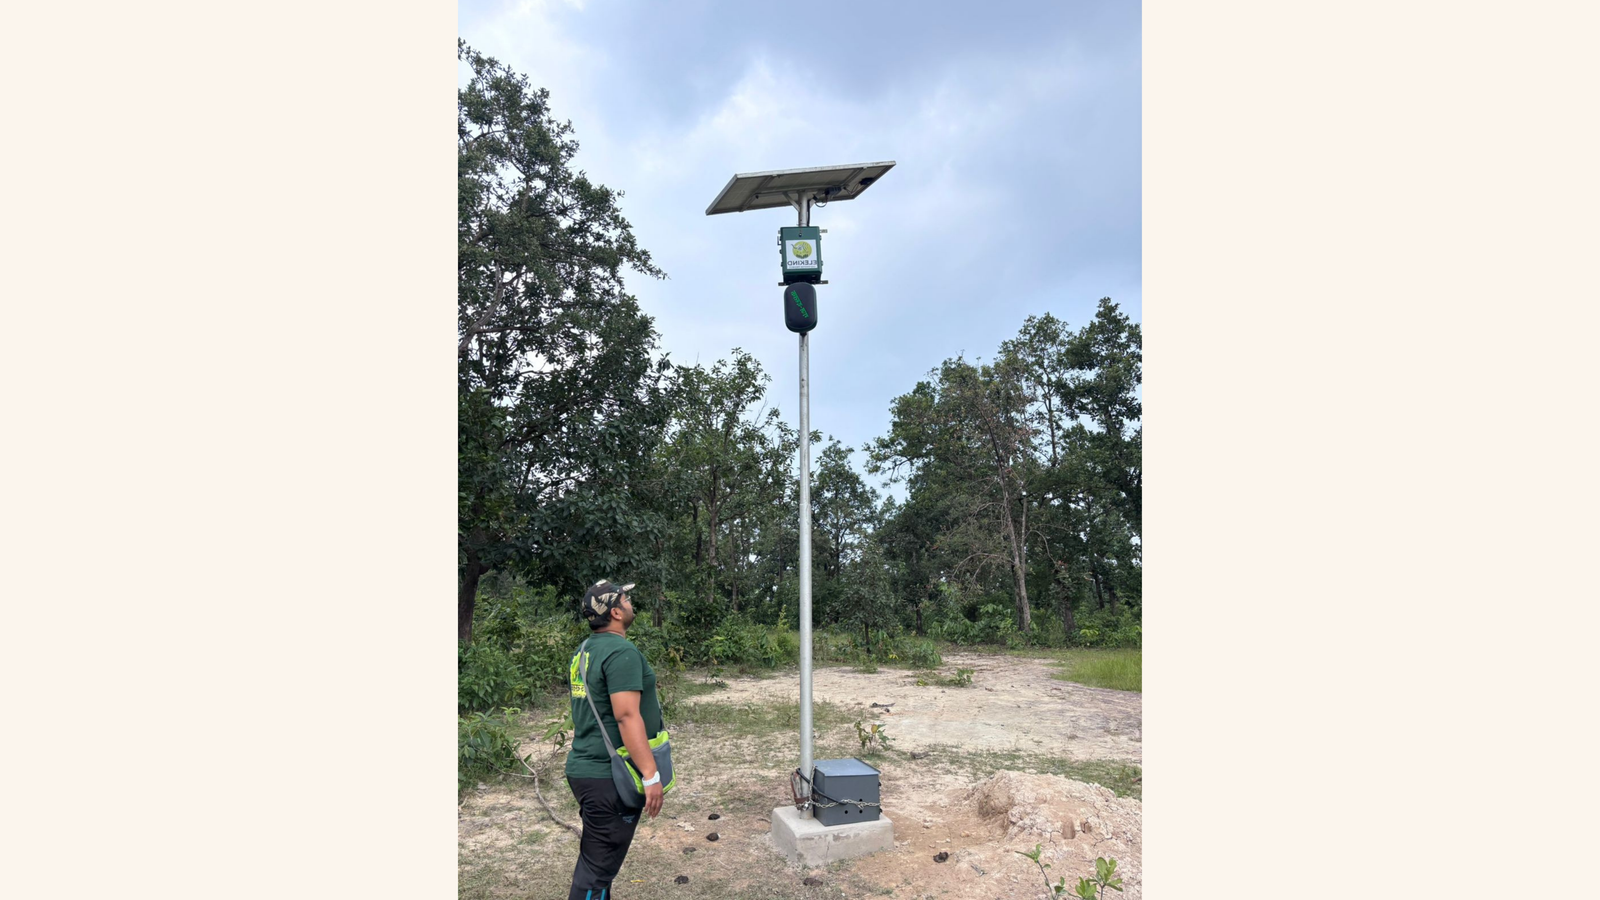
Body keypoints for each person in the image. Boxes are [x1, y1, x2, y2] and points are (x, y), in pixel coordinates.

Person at [564, 580, 665, 900]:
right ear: (616, 612)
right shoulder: (621, 651)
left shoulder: (583, 651)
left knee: (598, 865)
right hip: (609, 777)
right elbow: (626, 716)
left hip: (586, 768)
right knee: (595, 872)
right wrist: (651, 774)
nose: (631, 600)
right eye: (626, 597)